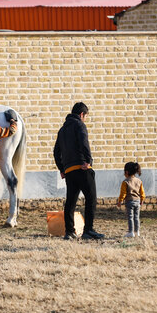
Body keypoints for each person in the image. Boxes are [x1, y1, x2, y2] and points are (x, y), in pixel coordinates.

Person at [53, 102, 104, 240]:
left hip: (69, 170)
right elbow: (83, 142)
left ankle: (69, 232)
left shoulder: (62, 129)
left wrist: (62, 169)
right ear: (82, 114)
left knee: (70, 201)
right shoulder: (79, 125)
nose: (85, 119)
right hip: (82, 167)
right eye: (85, 116)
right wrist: (88, 160)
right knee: (91, 198)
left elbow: (56, 151)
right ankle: (88, 230)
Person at [117, 162, 145, 238]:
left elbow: (123, 193)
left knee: (130, 217)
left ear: (126, 172)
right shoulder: (139, 181)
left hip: (129, 201)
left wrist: (120, 201)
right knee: (136, 217)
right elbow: (142, 192)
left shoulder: (125, 182)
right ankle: (137, 231)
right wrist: (142, 199)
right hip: (137, 201)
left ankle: (131, 232)